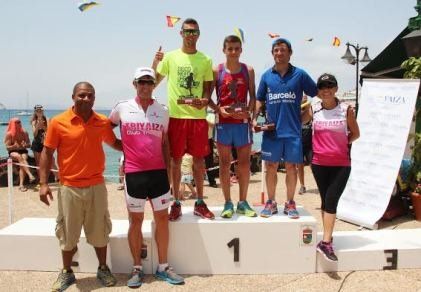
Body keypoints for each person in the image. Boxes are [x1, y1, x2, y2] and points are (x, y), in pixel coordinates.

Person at [38, 82, 122, 292]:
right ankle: (67, 272)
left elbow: (116, 144)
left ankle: (103, 268)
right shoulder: (58, 122)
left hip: (96, 185)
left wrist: (143, 139)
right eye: (82, 95)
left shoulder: (101, 122)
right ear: (73, 96)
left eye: (90, 96)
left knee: (100, 230)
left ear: (94, 98)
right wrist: (43, 183)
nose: (86, 99)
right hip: (69, 187)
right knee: (67, 233)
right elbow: (47, 153)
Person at [109, 67, 184, 287]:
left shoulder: (162, 110)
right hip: (133, 174)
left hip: (158, 174)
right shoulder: (122, 107)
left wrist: (169, 172)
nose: (145, 86)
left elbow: (165, 143)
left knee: (162, 220)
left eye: (149, 82)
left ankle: (163, 267)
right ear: (134, 84)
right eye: (141, 82)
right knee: (135, 221)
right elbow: (105, 128)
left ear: (153, 85)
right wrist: (116, 145)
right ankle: (137, 269)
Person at [152, 18, 215, 221]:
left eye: (194, 32)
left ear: (199, 34)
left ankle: (199, 202)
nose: (190, 35)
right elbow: (152, 82)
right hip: (176, 117)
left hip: (197, 117)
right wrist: (154, 62)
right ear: (181, 33)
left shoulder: (205, 60)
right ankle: (176, 202)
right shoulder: (170, 57)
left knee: (198, 161)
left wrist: (205, 100)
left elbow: (207, 89)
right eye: (187, 32)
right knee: (175, 162)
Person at [253, 38, 318, 219]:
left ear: (290, 53)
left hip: (292, 132)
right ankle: (271, 202)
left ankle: (290, 203)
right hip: (271, 131)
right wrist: (254, 117)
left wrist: (307, 116)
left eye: (283, 50)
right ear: (272, 53)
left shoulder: (300, 75)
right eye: (276, 50)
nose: (279, 53)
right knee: (271, 167)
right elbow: (259, 99)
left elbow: (316, 94)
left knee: (291, 167)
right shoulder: (266, 76)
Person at [302, 73, 359, 261]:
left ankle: (326, 243)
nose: (326, 90)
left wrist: (341, 144)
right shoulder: (313, 108)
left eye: (330, 86)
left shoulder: (346, 109)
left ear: (336, 89)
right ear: (317, 91)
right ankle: (327, 235)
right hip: (319, 164)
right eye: (322, 86)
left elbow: (356, 134)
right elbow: (299, 121)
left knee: (332, 199)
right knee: (326, 201)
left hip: (341, 164)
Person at [211, 35, 256, 218]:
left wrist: (249, 112)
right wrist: (219, 110)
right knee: (224, 163)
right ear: (224, 50)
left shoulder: (248, 70)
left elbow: (253, 96)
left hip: (242, 124)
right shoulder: (217, 70)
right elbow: (208, 98)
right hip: (223, 124)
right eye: (230, 48)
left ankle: (243, 202)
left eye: (237, 48)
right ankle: (227, 203)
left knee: (244, 164)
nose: (233, 52)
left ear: (241, 50)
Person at [4, 117, 36, 191]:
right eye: (17, 122)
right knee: (19, 157)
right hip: (13, 151)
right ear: (12, 124)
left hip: (23, 150)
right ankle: (30, 175)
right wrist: (14, 146)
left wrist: (25, 145)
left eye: (19, 122)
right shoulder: (9, 134)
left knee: (23, 159)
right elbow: (7, 148)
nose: (19, 123)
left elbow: (29, 145)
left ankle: (21, 185)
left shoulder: (24, 132)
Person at [30, 104, 59, 183]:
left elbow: (49, 132)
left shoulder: (47, 119)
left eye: (40, 110)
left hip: (45, 143)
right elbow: (34, 134)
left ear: (43, 111)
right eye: (37, 111)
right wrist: (37, 126)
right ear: (35, 112)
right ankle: (42, 182)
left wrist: (43, 126)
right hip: (37, 144)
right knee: (39, 163)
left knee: (52, 161)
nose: (39, 112)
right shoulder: (33, 121)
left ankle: (58, 178)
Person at [298, 96, 312, 195]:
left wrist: (308, 107)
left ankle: (320, 184)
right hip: (299, 144)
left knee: (313, 165)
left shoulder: (311, 113)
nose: (304, 97)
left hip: (310, 144)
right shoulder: (297, 113)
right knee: (300, 166)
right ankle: (302, 186)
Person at [205, 110, 218, 187]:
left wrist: (204, 119)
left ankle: (212, 181)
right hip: (197, 139)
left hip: (208, 139)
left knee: (209, 162)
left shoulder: (210, 114)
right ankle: (193, 180)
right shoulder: (195, 114)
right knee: (195, 161)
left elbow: (213, 125)